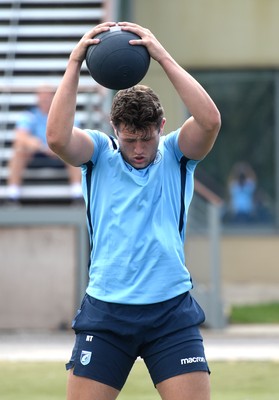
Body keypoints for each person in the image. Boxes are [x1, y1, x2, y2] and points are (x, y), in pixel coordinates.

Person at [46, 21, 221, 400]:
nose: (138, 148)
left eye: (146, 138)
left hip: (170, 313)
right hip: (107, 312)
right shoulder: (99, 155)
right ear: (114, 129)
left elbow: (209, 121)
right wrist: (76, 61)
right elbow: (58, 138)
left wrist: (160, 54)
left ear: (161, 126)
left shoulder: (176, 154)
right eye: (130, 140)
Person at [6, 85, 82, 203]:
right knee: (19, 148)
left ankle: (77, 191)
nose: (45, 99)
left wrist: (57, 146)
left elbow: (75, 134)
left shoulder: (65, 114)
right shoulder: (30, 114)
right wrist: (41, 146)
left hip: (61, 152)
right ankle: (13, 192)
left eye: (48, 96)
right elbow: (20, 136)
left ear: (54, 97)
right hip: (37, 152)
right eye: (42, 96)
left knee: (74, 149)